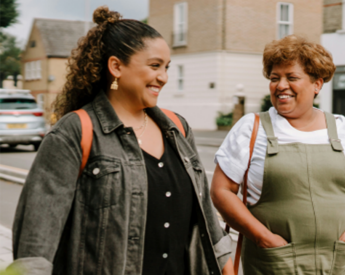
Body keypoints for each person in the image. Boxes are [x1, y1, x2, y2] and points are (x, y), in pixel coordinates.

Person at [9, 6, 233, 275]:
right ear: (116, 66)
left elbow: (205, 213)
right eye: (154, 66)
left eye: (166, 67)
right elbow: (36, 241)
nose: (163, 77)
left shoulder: (178, 128)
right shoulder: (76, 131)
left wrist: (226, 267)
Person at [211, 35, 345, 275]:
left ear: (317, 84)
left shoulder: (342, 128)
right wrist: (263, 238)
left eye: (292, 77)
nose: (280, 86)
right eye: (275, 78)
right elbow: (221, 191)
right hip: (273, 263)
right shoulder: (251, 128)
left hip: (337, 264)